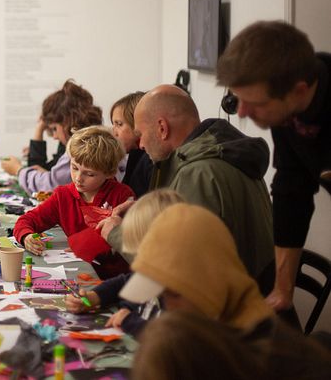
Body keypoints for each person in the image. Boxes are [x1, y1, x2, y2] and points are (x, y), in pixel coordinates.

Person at [121, 204, 331, 380]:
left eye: (173, 294)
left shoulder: (262, 360)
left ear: (209, 285)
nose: (167, 306)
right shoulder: (217, 330)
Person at [100, 84, 275, 294]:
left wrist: (116, 233)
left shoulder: (198, 173)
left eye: (141, 134)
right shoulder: (224, 155)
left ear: (162, 128)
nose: (141, 144)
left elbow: (174, 268)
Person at [216, 20, 331, 314]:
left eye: (253, 103)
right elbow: (292, 192)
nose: (241, 112)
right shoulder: (287, 109)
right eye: (238, 98)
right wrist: (282, 291)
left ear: (299, 90)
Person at [13, 126, 133, 279]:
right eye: (74, 168)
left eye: (89, 174)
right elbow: (26, 220)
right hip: (77, 273)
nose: (78, 178)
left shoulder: (123, 196)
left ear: (110, 173)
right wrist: (26, 237)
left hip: (115, 278)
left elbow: (130, 244)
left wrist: (83, 246)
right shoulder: (63, 196)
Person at [65, 189, 184, 336]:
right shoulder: (155, 270)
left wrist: (128, 319)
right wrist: (94, 297)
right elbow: (125, 282)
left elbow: (168, 333)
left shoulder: (180, 290)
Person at [2, 80, 102, 195]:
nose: (54, 136)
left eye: (54, 128)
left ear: (67, 121)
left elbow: (51, 185)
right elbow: (45, 171)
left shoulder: (82, 146)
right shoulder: (90, 139)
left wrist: (18, 170)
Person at [110, 91, 152, 198]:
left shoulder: (150, 159)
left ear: (138, 124)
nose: (114, 132)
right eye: (113, 124)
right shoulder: (134, 154)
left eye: (119, 124)